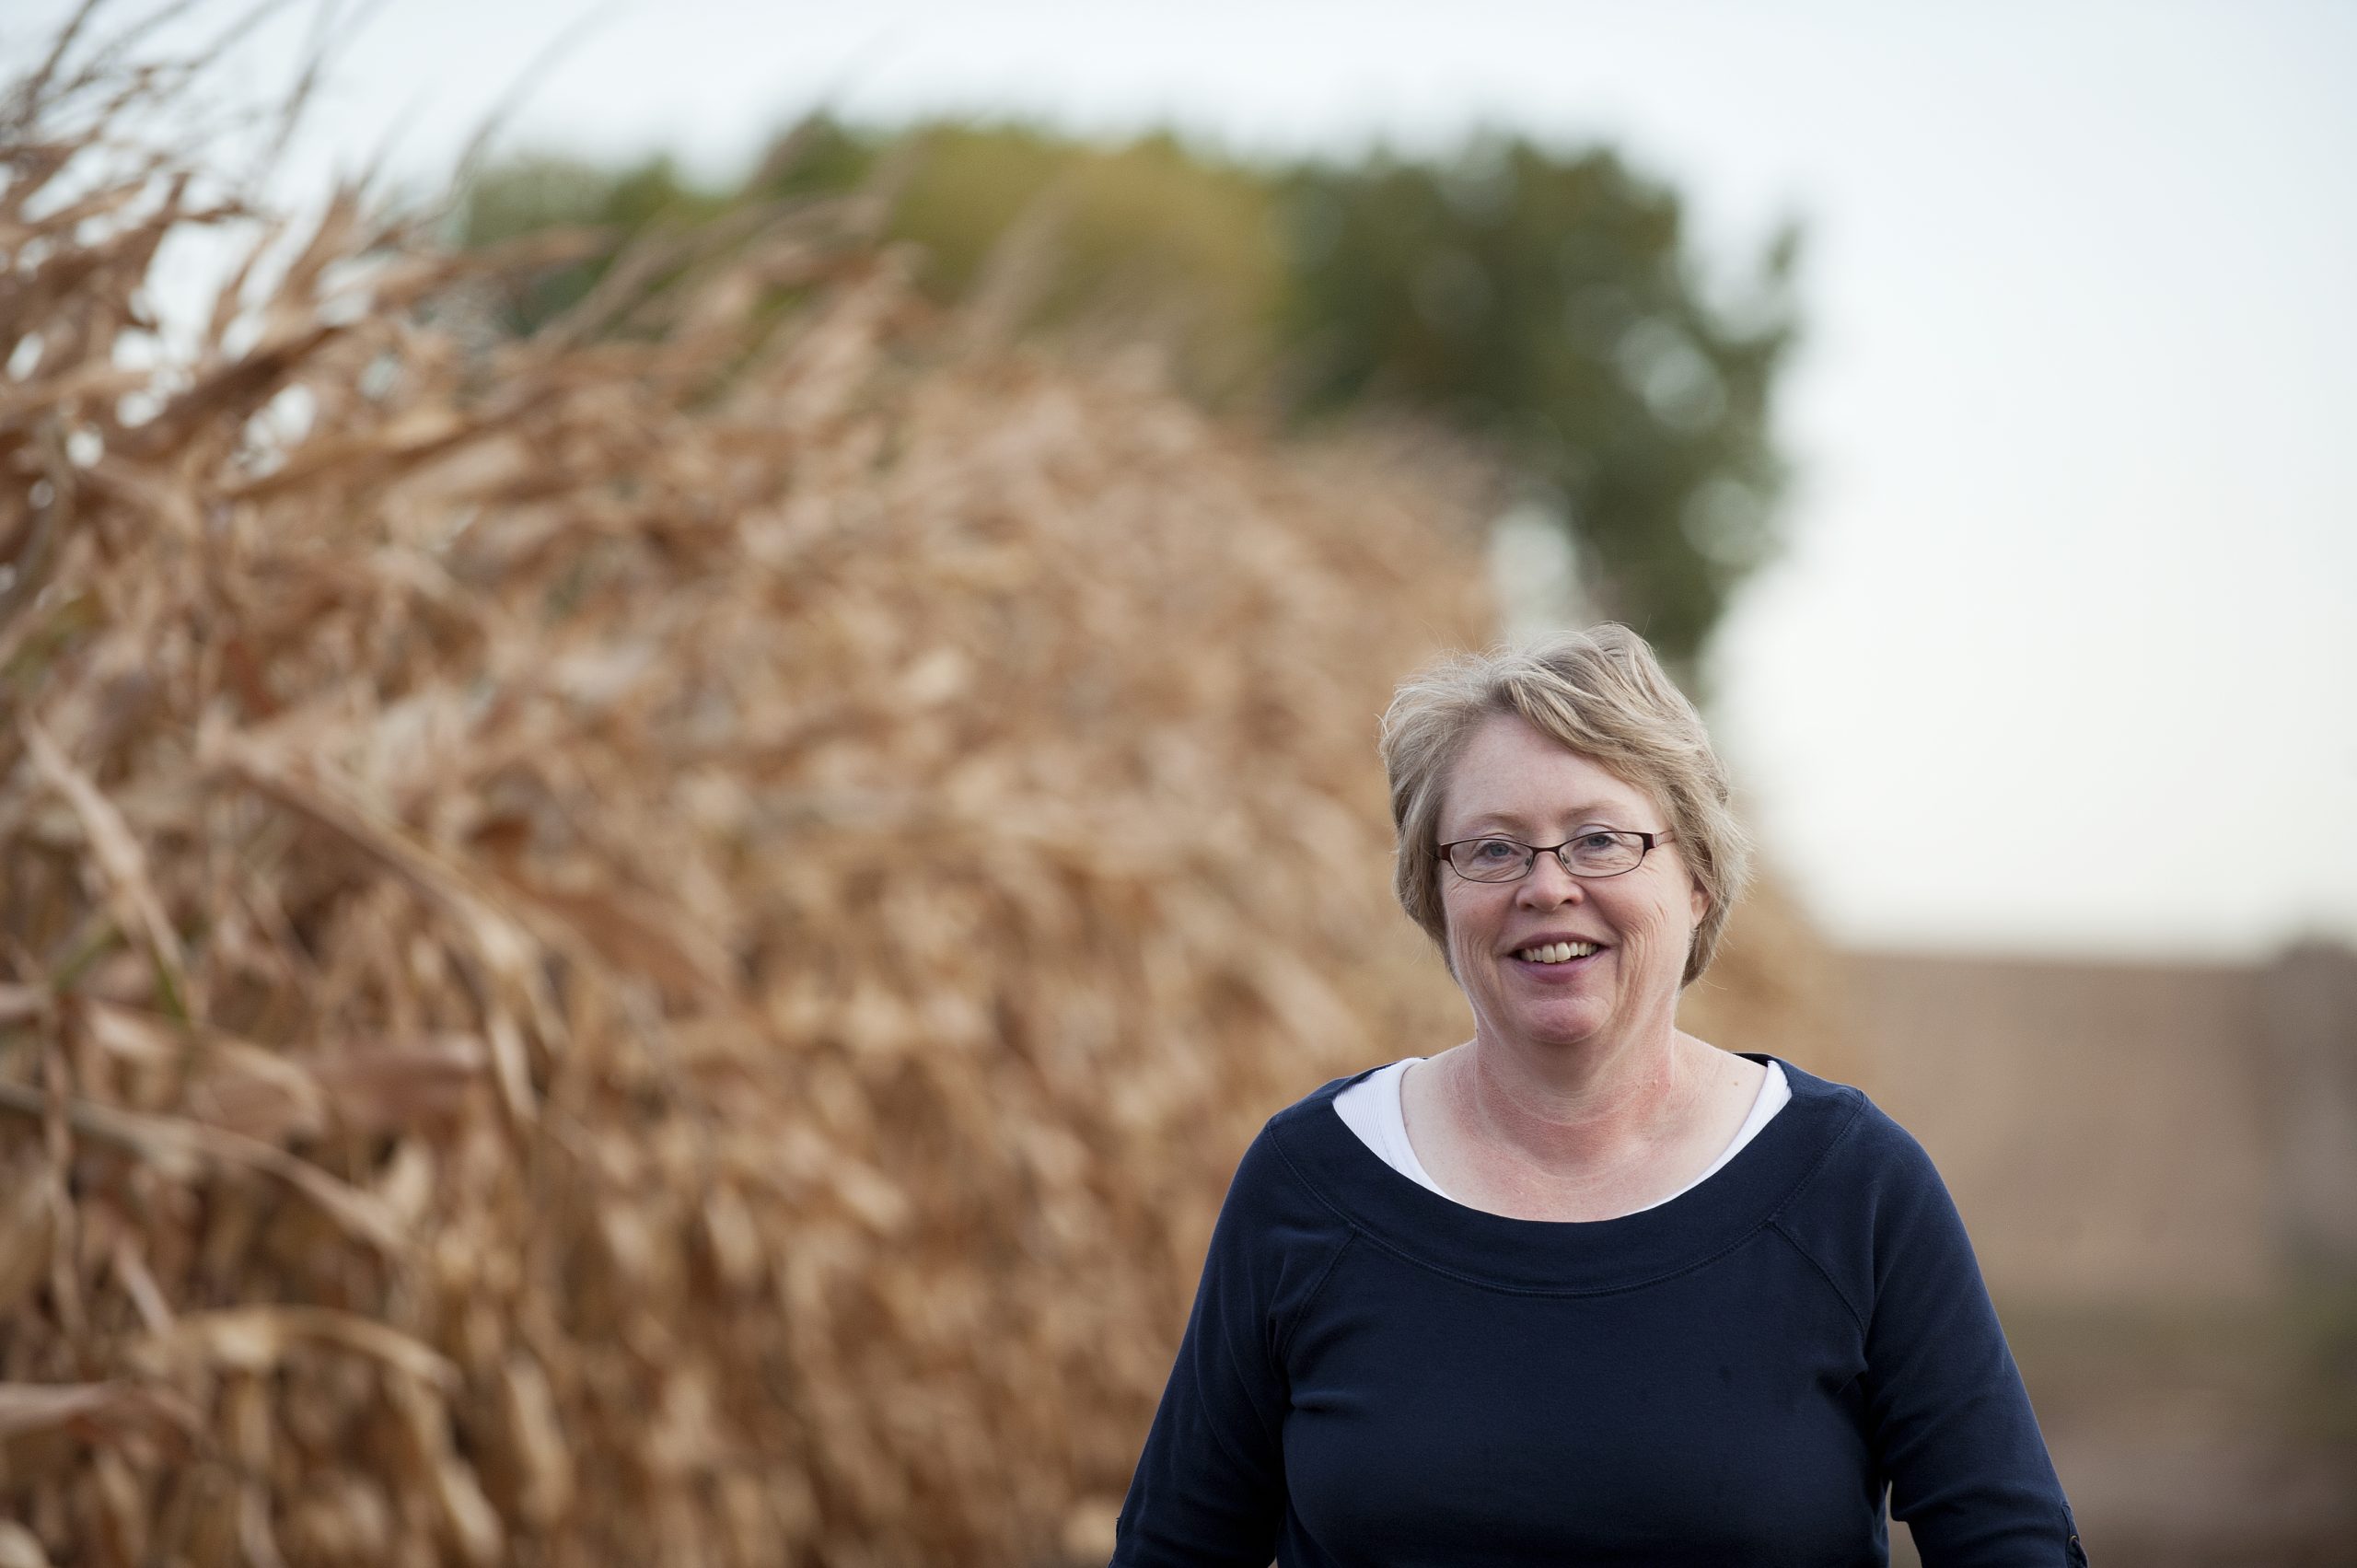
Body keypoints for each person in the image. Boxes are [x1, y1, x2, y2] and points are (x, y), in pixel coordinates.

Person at [1109, 625, 2086, 1566]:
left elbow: (2009, 1544)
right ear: (1433, 893)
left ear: (1697, 876)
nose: (1546, 886)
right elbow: (1178, 1547)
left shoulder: (1853, 1187)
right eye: (1491, 848)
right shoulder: (1310, 1179)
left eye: (1600, 839)